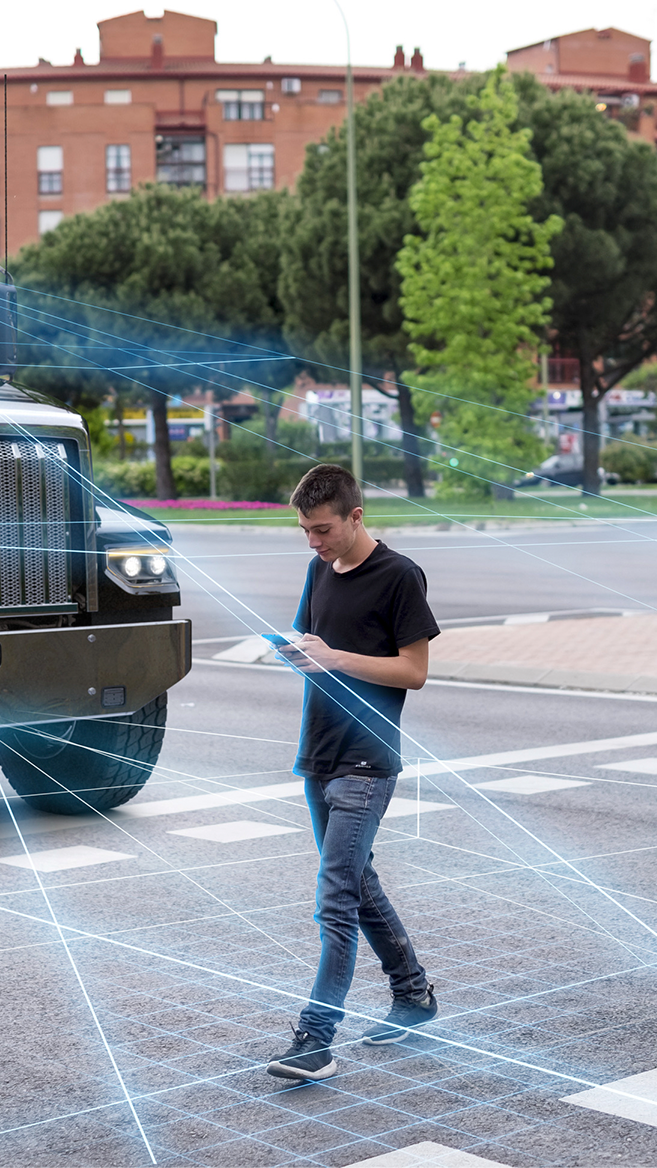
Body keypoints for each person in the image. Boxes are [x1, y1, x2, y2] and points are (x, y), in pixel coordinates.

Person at [264, 464, 441, 1082]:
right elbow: (312, 643)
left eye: (322, 529)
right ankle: (413, 996)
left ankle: (315, 1040)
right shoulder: (317, 570)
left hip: (368, 761)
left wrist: (334, 658)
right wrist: (296, 653)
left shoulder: (399, 576)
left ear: (355, 516)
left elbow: (413, 671)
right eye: (306, 532)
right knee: (356, 882)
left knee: (335, 897)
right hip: (319, 753)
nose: (313, 543)